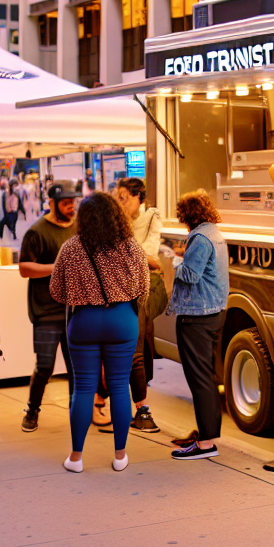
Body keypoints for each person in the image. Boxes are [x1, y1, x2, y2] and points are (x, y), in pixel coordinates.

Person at [49, 192, 149, 473]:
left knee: (83, 389)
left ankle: (76, 458)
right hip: (122, 320)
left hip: (84, 323)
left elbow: (56, 291)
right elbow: (143, 287)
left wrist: (81, 293)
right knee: (119, 387)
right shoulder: (131, 247)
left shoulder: (71, 248)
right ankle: (120, 457)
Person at [168, 189, 229, 461]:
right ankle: (206, 433)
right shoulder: (214, 233)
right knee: (206, 377)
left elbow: (190, 274)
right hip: (214, 311)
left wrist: (171, 259)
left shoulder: (201, 237)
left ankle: (206, 444)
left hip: (197, 315)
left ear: (187, 215)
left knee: (200, 379)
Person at [17, 180, 80, 433]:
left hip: (75, 310)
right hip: (46, 311)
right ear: (52, 203)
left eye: (73, 201)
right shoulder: (37, 231)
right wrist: (58, 268)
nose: (71, 206)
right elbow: (24, 269)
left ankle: (78, 412)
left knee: (77, 367)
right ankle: (32, 410)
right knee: (45, 366)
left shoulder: (78, 228)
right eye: (66, 202)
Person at [114, 177, 164, 433]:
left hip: (141, 292)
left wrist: (138, 257)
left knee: (136, 350)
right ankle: (107, 404)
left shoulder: (152, 217)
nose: (120, 203)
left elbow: (149, 254)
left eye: (124, 198)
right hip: (119, 291)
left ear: (139, 197)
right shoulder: (117, 220)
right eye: (117, 198)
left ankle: (142, 409)